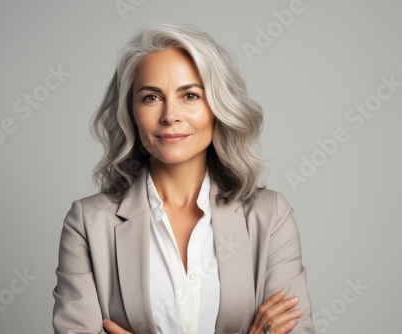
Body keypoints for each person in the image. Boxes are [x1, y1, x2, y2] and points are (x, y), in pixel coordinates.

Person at [53, 22, 315, 334]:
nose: (169, 115)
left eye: (189, 95)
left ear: (217, 106)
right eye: (151, 97)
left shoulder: (270, 215)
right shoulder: (88, 222)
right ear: (131, 112)